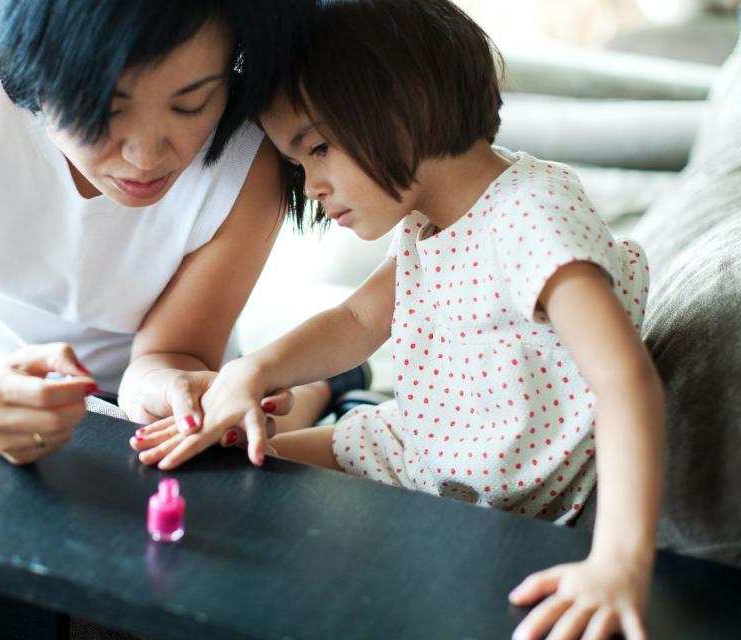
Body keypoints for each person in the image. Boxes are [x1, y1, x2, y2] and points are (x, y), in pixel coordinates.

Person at [132, 1, 666, 638]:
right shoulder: (426, 224)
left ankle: (327, 396)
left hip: (482, 490)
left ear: (408, 102)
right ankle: (323, 396)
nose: (310, 187)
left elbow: (625, 381)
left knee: (241, 501)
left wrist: (618, 563)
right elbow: (359, 316)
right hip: (410, 451)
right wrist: (252, 371)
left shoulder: (530, 216)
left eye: (319, 148)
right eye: (298, 167)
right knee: (221, 475)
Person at [0, 0, 340, 465]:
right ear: (28, 67)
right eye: (104, 108)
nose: (146, 156)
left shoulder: (248, 157)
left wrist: (171, 390)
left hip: (144, 406)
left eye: (191, 104)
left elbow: (173, 353)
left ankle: (325, 388)